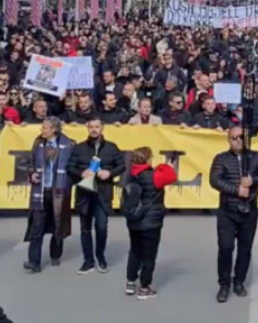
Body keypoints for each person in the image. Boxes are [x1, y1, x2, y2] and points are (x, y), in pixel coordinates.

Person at [209, 126, 258, 303]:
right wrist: (236, 190)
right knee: (226, 247)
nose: (237, 140)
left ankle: (239, 281)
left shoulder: (255, 157)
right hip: (227, 211)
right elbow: (214, 180)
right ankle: (224, 283)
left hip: (249, 210)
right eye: (233, 138)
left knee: (245, 249)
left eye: (240, 137)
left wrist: (253, 181)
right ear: (228, 139)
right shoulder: (221, 158)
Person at [68, 117, 124, 274]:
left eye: (97, 126)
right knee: (85, 229)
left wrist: (110, 173)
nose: (94, 129)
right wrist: (81, 172)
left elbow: (122, 165)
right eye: (91, 126)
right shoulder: (79, 148)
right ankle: (88, 261)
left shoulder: (111, 148)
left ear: (102, 128)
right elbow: (70, 166)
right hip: (85, 194)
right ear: (87, 128)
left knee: (101, 227)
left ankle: (100, 256)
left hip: (103, 192)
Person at [123, 146, 178, 299]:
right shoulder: (155, 176)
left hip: (134, 219)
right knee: (149, 256)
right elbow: (172, 176)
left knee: (134, 251)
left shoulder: (129, 176)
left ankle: (130, 282)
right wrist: (165, 166)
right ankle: (145, 287)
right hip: (151, 221)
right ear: (148, 159)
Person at [23, 117, 75, 272]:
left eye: (45, 127)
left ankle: (55, 254)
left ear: (54, 130)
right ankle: (34, 262)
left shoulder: (69, 144)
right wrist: (32, 173)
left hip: (59, 191)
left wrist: (67, 183)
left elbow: (74, 167)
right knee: (37, 226)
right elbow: (29, 162)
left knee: (57, 224)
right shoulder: (38, 143)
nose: (42, 130)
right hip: (41, 191)